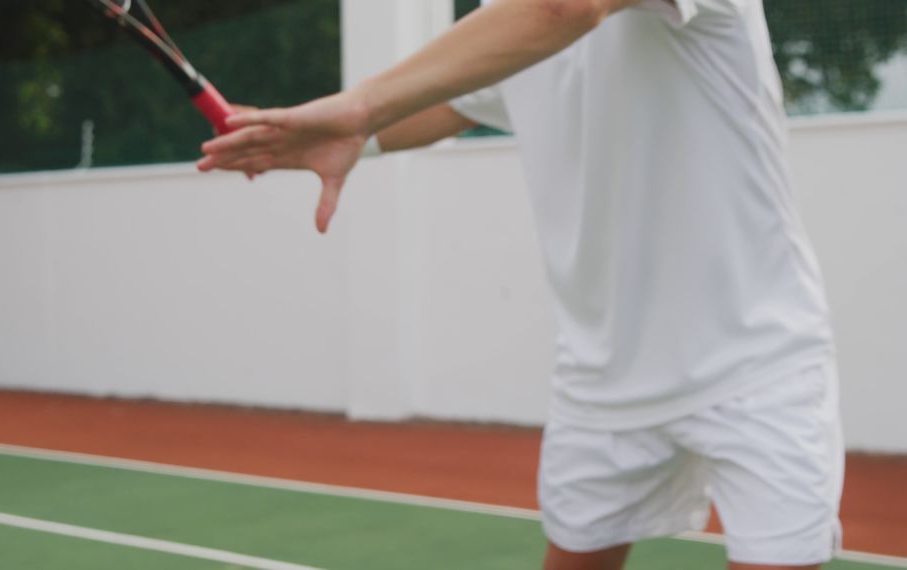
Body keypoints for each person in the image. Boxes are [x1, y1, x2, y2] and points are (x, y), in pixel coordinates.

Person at [198, 0, 843, 568]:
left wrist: (359, 106)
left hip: (755, 366)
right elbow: (456, 98)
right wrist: (332, 133)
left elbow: (567, 6)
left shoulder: (550, 10)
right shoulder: (512, 22)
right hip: (602, 381)